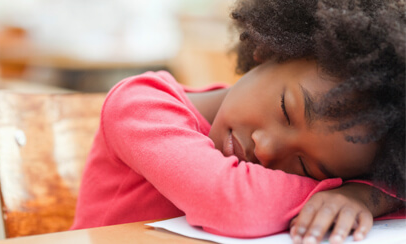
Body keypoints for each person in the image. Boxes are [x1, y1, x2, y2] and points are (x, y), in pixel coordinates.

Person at [71, 0, 405, 243]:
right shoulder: (141, 105)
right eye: (286, 110)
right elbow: (234, 204)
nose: (267, 148)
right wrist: (340, 190)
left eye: (306, 166)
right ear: (270, 50)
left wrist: (364, 195)